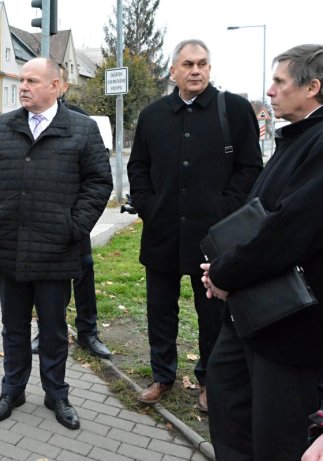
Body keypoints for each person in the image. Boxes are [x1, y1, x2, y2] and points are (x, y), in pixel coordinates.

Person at [0, 57, 113, 430]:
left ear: (56, 86)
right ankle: (12, 390)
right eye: (21, 80)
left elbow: (99, 183)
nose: (23, 87)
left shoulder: (81, 130)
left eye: (32, 80)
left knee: (52, 330)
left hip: (56, 249)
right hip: (10, 247)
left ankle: (57, 395)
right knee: (13, 327)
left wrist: (74, 227)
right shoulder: (3, 127)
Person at [201, 43, 323, 460]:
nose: (269, 92)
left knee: (277, 436)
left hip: (290, 327)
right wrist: (222, 266)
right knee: (228, 402)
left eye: (279, 81)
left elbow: (287, 230)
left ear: (313, 88)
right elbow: (261, 214)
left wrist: (224, 273)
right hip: (253, 314)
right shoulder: (298, 138)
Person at [127, 39, 262, 411]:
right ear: (173, 71)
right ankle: (162, 375)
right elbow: (137, 167)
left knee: (213, 314)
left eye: (202, 63)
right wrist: (148, 206)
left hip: (213, 238)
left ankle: (210, 381)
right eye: (187, 64)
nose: (196, 70)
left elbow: (250, 169)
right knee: (160, 308)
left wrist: (225, 212)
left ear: (210, 68)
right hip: (162, 233)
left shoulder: (233, 110)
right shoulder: (153, 115)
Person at [31, 64, 112, 360]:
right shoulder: (31, 121)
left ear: (60, 86)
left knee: (84, 273)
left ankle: (88, 332)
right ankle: (50, 331)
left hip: (74, 220)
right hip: (44, 224)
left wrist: (79, 219)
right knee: (47, 281)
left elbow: (97, 173)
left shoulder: (80, 119)